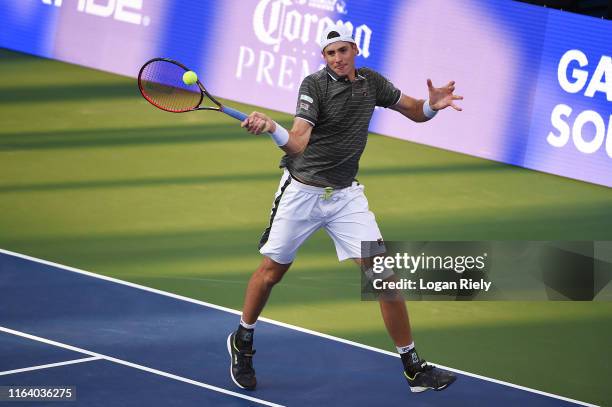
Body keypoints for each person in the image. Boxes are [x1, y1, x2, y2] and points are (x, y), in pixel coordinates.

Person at [227, 23, 463, 394]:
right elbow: (298, 144)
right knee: (272, 272)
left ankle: (413, 368)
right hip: (302, 193)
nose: (337, 58)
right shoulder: (314, 86)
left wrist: (432, 106)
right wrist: (274, 128)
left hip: (345, 197)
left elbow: (414, 111)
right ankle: (243, 339)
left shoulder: (372, 82)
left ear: (355, 50)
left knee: (383, 277)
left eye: (343, 50)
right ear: (324, 57)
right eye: (330, 53)